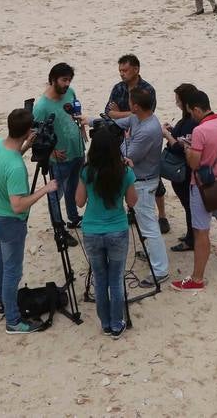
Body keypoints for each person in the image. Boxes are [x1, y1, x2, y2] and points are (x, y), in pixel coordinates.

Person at [0, 107, 57, 334]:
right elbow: (18, 204)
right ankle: (13, 321)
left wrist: (27, 146)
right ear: (28, 131)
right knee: (12, 271)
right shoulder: (16, 168)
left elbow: (12, 157)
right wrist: (45, 189)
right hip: (10, 220)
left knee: (0, 256)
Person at [171, 89, 217, 292]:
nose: (191, 115)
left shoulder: (200, 131)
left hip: (201, 186)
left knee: (201, 231)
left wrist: (187, 147)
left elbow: (194, 162)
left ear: (198, 109)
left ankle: (197, 278)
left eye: (191, 112)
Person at [77, 120, 139, 332]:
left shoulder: (87, 172)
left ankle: (105, 323)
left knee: (100, 278)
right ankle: (116, 323)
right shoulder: (124, 172)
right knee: (116, 278)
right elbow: (132, 202)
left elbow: (79, 202)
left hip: (92, 231)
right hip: (117, 230)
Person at [113, 87, 170, 288]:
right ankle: (151, 255)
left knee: (149, 226)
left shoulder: (148, 130)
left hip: (144, 183)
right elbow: (121, 122)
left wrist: (126, 140)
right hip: (142, 181)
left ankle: (160, 270)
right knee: (145, 222)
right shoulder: (139, 118)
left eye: (130, 102)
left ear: (135, 106)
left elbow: (128, 157)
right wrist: (94, 121)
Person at [33, 62, 84, 242]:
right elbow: (35, 136)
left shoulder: (70, 92)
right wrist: (52, 152)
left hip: (77, 149)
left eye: (69, 80)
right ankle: (59, 229)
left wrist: (82, 130)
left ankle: (73, 217)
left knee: (73, 186)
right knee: (54, 194)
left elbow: (75, 113)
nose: (67, 83)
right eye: (64, 80)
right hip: (60, 158)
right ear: (53, 80)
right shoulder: (41, 107)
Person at [162, 83, 200, 252]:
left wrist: (167, 135)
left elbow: (179, 146)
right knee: (188, 205)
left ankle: (191, 239)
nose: (176, 102)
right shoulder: (188, 120)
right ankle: (190, 235)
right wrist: (172, 131)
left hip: (183, 170)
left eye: (178, 100)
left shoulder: (190, 122)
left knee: (189, 205)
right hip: (184, 169)